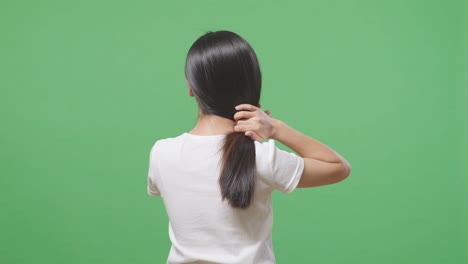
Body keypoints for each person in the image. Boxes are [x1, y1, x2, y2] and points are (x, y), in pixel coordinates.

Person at [147, 30, 351, 264]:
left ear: (191, 87)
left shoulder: (161, 153)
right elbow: (339, 167)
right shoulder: (262, 157)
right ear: (251, 85)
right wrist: (276, 128)